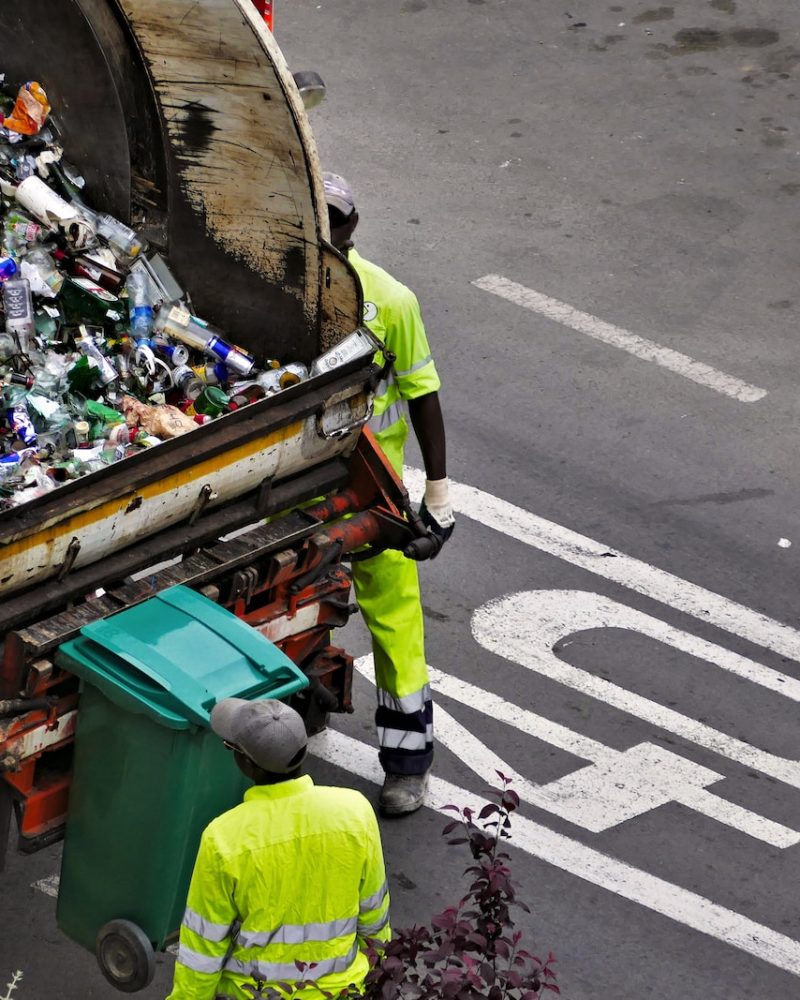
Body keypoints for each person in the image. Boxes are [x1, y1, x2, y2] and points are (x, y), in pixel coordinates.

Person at [322, 172, 455, 816]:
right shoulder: (274, 284)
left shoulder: (391, 301)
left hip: (371, 489)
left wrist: (439, 492)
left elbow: (423, 393)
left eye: (335, 218)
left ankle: (408, 766)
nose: (326, 228)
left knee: (395, 623)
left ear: (353, 225)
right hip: (296, 482)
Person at [166, 698, 390, 1000]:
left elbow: (203, 948)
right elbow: (374, 916)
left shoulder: (224, 839)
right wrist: (378, 975)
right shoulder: (355, 812)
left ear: (245, 762)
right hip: (344, 991)